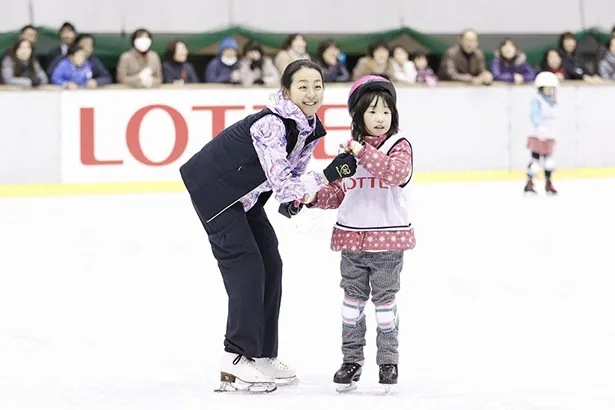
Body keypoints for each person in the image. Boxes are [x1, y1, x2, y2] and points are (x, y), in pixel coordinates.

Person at [179, 59, 358, 393]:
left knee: (270, 263)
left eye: (317, 85)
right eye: (303, 86)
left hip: (245, 198)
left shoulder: (308, 127)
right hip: (215, 193)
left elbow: (290, 183)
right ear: (286, 90)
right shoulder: (271, 124)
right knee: (246, 266)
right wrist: (331, 174)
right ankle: (234, 358)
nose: (311, 93)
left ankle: (260, 354)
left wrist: (294, 201)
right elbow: (285, 184)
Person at [306, 75, 415, 392]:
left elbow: (395, 174)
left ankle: (388, 362)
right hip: (352, 241)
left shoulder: (399, 146)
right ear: (358, 116)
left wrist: (361, 151)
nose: (381, 118)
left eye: (386, 111)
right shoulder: (349, 153)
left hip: (387, 243)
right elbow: (337, 194)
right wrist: (309, 197)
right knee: (351, 305)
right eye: (372, 111)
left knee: (384, 307)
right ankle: (351, 361)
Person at [524, 71, 559, 195]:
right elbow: (534, 115)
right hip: (537, 136)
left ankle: (548, 183)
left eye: (551, 88)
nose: (549, 90)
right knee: (535, 162)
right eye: (547, 88)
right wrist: (539, 126)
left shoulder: (552, 102)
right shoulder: (537, 100)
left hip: (549, 136)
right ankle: (529, 183)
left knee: (549, 162)